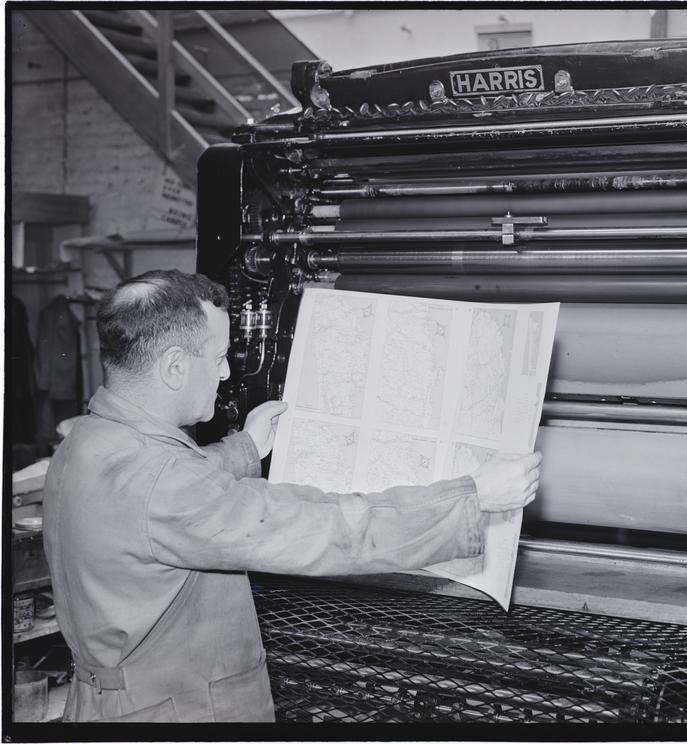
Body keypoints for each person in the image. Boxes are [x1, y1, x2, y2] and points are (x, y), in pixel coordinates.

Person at [43, 270, 541, 723]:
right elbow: (324, 530)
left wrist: (246, 448)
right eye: (218, 358)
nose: (224, 375)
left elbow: (157, 491)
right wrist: (471, 497)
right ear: (174, 367)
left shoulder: (86, 441)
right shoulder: (165, 484)